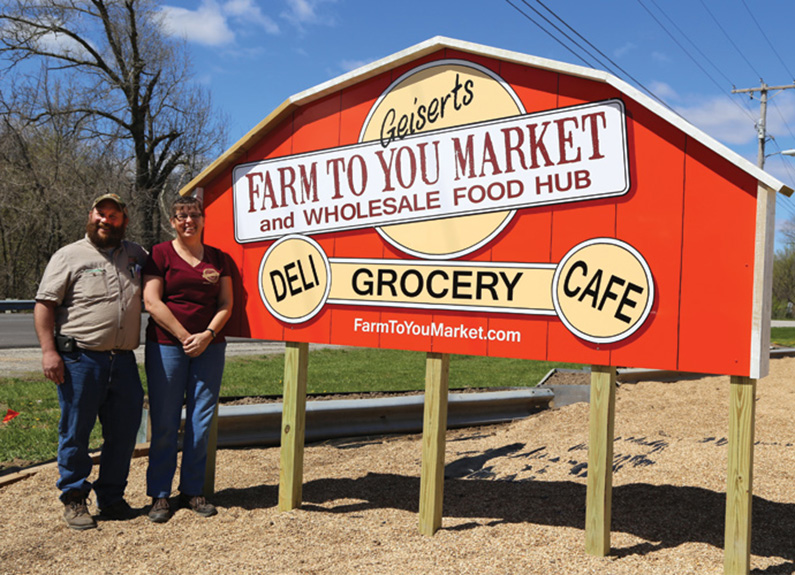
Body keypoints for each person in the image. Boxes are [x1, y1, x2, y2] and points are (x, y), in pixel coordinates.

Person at [34, 193, 148, 531]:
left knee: (124, 433)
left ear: (124, 220)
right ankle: (74, 497)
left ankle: (111, 497)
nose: (106, 220)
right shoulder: (69, 255)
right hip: (80, 359)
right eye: (101, 214)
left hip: (123, 361)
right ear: (90, 216)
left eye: (114, 215)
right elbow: (44, 305)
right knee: (75, 432)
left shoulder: (137, 254)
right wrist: (48, 351)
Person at [143, 196, 233, 523]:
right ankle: (160, 495)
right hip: (167, 346)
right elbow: (151, 301)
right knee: (165, 421)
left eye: (194, 215)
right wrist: (185, 337)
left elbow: (226, 304)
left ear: (203, 219)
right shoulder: (159, 255)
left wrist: (207, 335)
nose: (188, 221)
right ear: (172, 221)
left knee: (200, 421)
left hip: (210, 347)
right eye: (181, 216)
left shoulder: (218, 258)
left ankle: (193, 490)